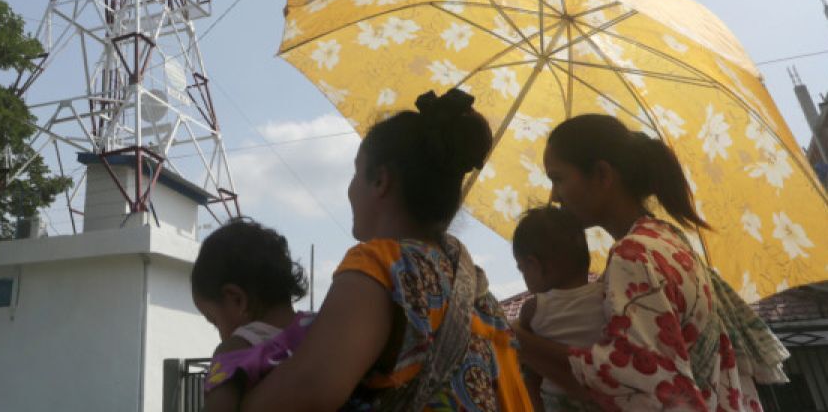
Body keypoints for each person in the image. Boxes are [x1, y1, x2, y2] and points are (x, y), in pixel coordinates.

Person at [241, 89, 531, 411]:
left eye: (355, 172)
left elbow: (306, 391)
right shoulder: (478, 290)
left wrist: (226, 390)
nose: (350, 189)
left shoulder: (380, 265)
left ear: (380, 180)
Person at [514, 114, 786, 412]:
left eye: (558, 178)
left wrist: (516, 341)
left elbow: (634, 385)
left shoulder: (633, 255)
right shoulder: (667, 239)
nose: (554, 196)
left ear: (602, 175)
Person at [191, 218, 314, 412]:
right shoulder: (320, 329)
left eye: (214, 320)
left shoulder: (237, 349)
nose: (219, 332)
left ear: (237, 300)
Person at [512, 206, 605, 412]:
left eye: (521, 268)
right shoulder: (607, 296)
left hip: (558, 402)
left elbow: (526, 363)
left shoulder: (534, 309)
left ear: (533, 264)